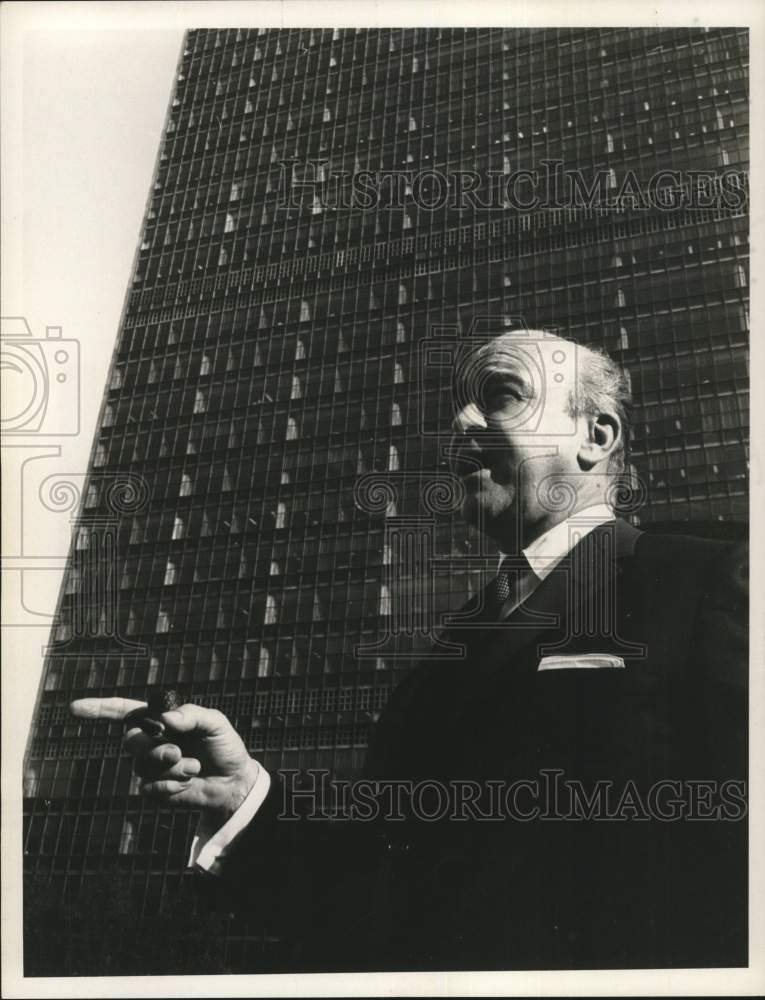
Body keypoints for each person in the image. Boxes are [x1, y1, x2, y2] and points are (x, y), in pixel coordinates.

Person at [71, 330, 747, 971]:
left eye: (501, 395)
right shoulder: (448, 651)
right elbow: (381, 883)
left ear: (594, 436)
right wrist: (243, 796)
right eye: (457, 406)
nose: (459, 423)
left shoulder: (710, 580)